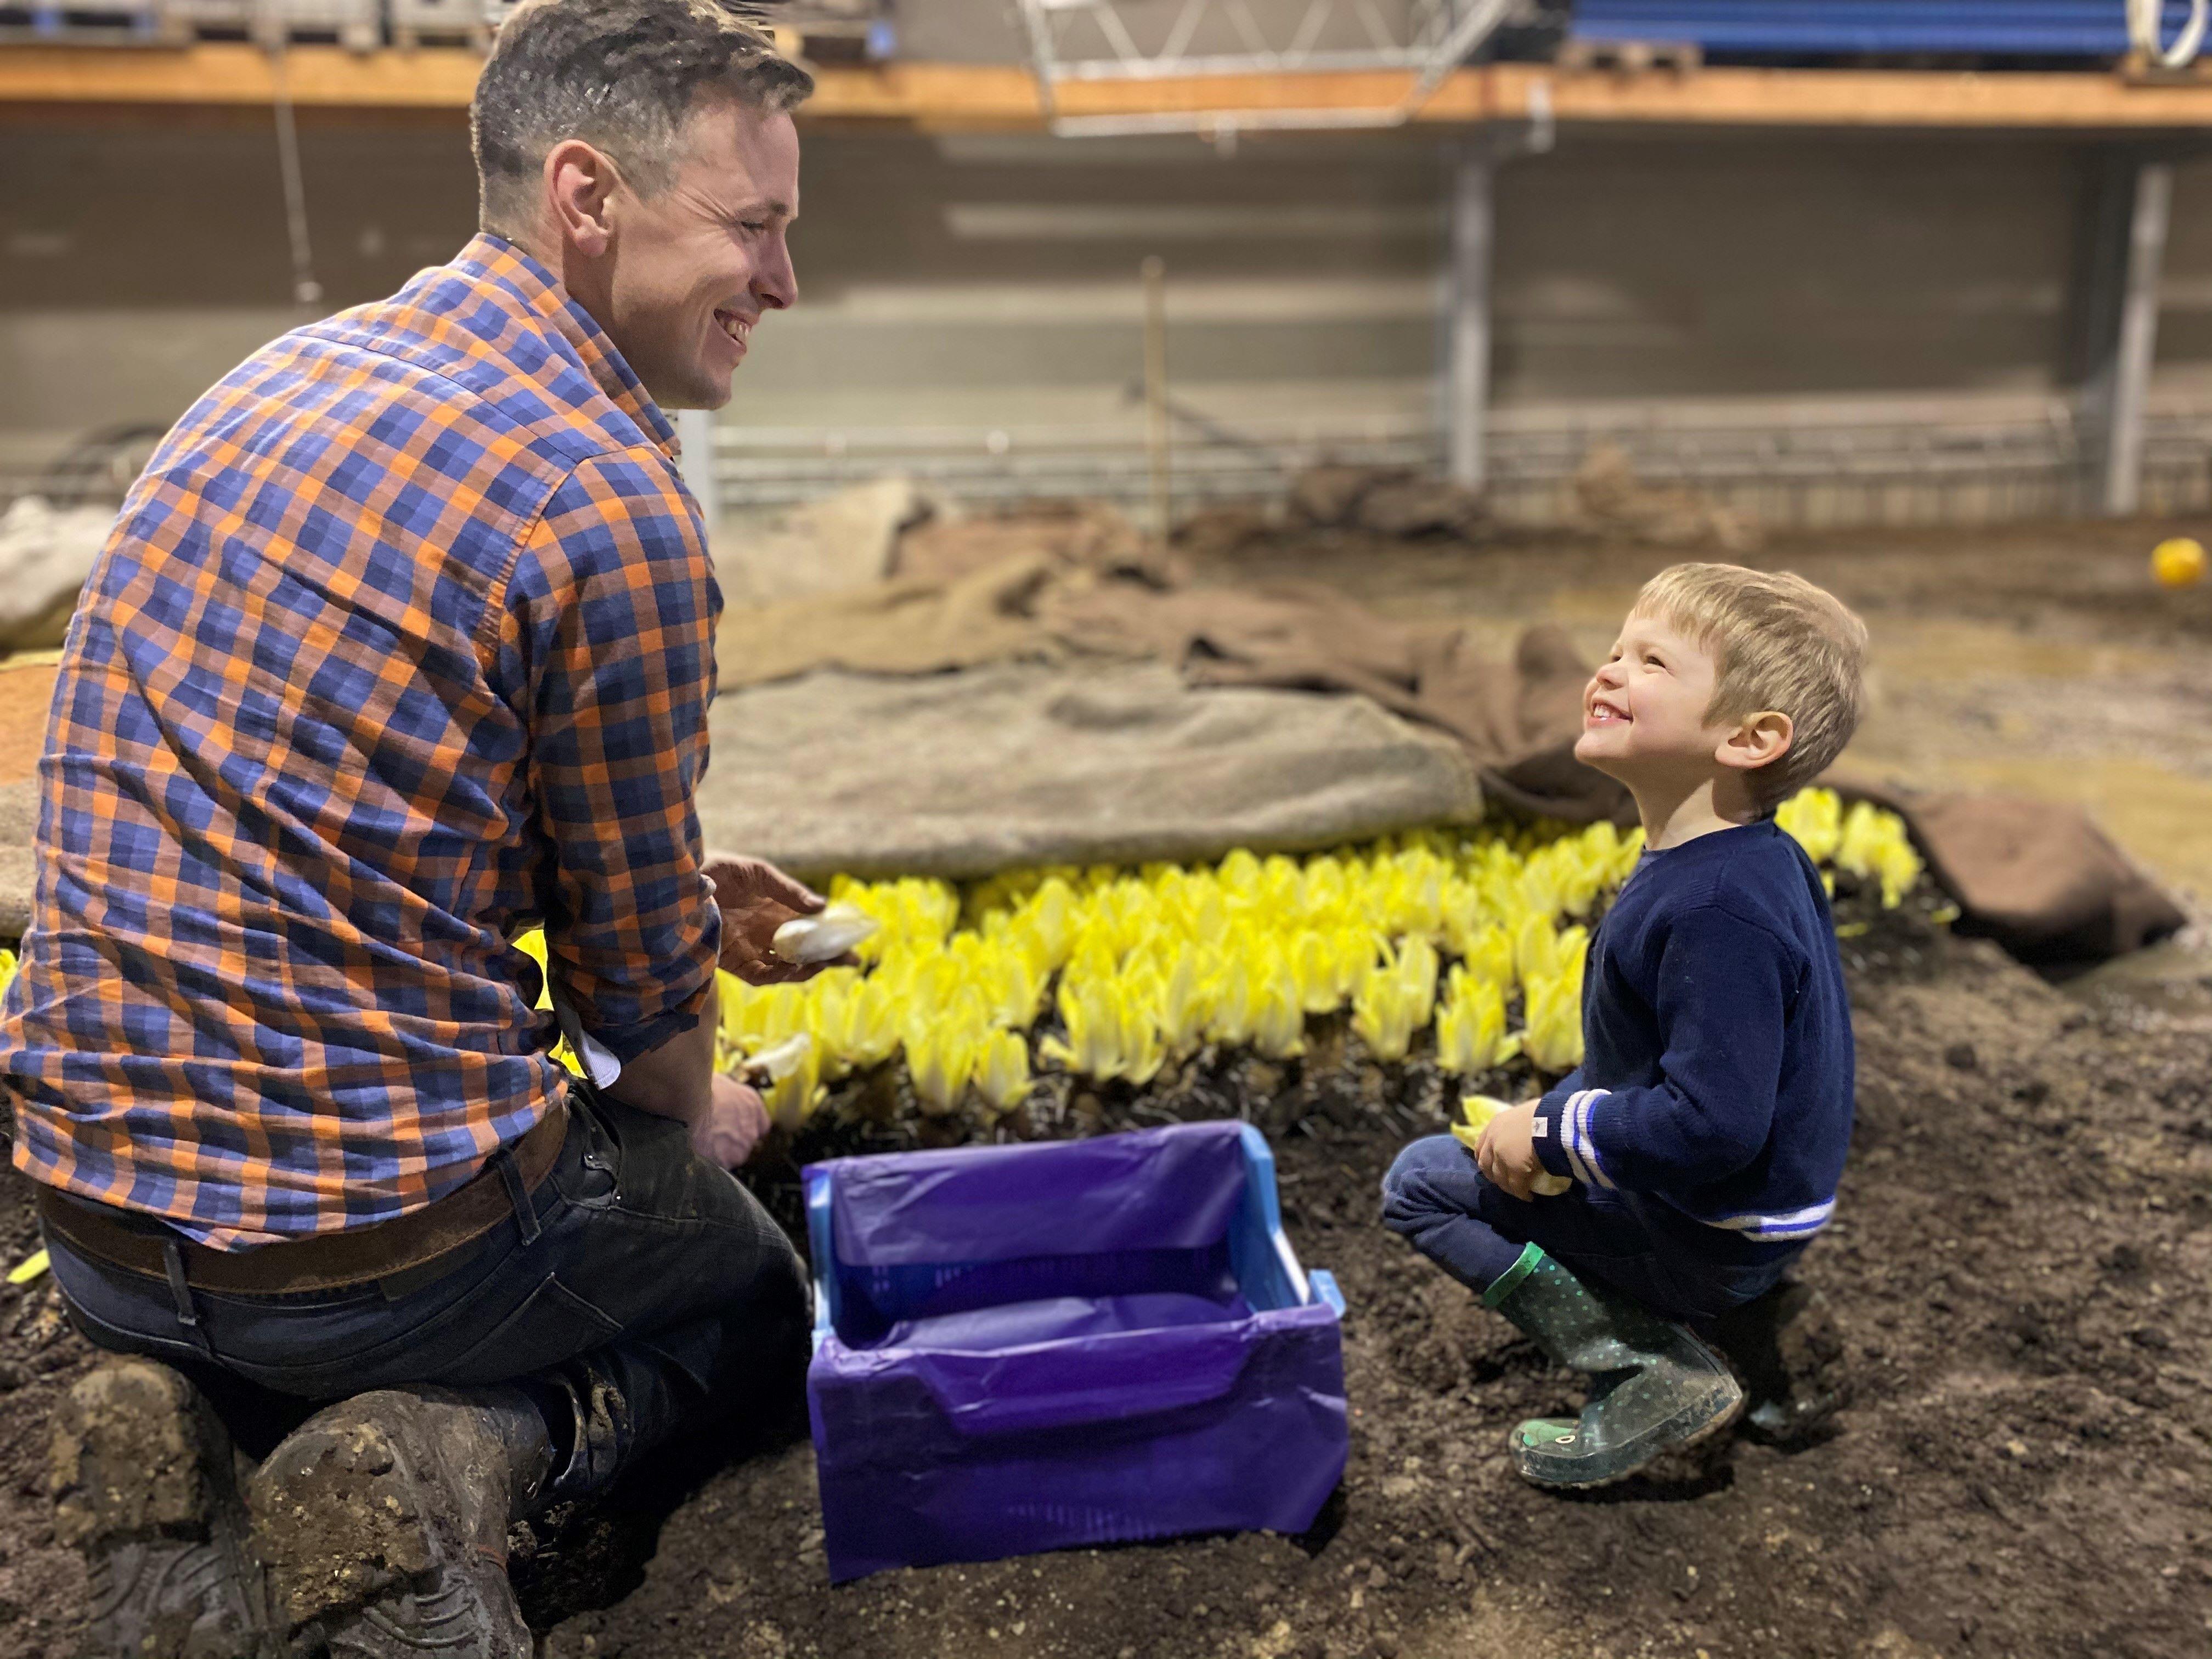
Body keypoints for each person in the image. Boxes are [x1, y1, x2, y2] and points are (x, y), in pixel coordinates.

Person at [1, 4, 825, 1655]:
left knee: (323, 1257)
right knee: (756, 1304)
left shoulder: (270, 383)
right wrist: (694, 1114)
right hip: (367, 1258)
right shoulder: (603, 497)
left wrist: (639, 884)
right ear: (589, 194)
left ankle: (196, 1423)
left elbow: (331, 794)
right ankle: (462, 1460)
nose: (785, 283)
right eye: (756, 227)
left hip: (87, 1221)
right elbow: (646, 1033)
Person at [1381, 562, 1864, 1488]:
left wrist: (1557, 1135)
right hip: (1755, 1214)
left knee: (1420, 1185)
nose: (1606, 672)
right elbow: (1651, 1064)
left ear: (1750, 738)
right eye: (1614, 651)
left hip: (1714, 1229)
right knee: (1515, 1145)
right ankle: (1750, 1339)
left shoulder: (1714, 907)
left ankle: (1650, 1368)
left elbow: (1714, 1124)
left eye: (1651, 662)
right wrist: (1551, 1121)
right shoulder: (1741, 863)